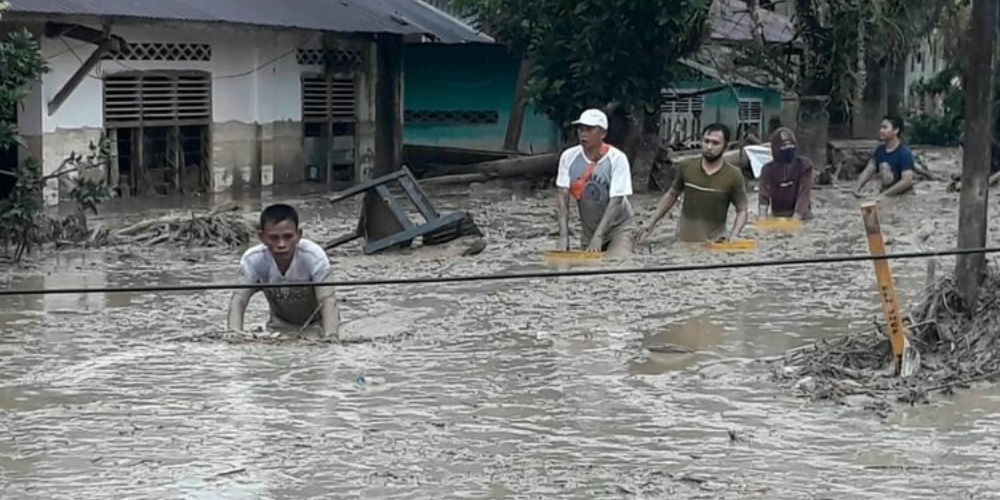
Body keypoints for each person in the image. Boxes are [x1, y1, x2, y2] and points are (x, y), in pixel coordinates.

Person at [227, 203, 341, 338]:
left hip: (317, 327)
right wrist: (234, 334)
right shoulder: (253, 260)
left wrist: (331, 337)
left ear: (299, 235)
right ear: (262, 237)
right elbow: (238, 301)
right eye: (274, 238)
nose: (281, 244)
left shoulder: (313, 256)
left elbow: (327, 300)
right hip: (278, 328)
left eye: (288, 237)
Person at [636, 123, 749, 243]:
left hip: (715, 242)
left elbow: (742, 210)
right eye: (706, 141)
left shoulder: (734, 175)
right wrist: (650, 223)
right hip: (683, 240)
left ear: (725, 147)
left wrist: (734, 235)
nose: (709, 147)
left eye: (715, 143)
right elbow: (672, 195)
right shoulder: (686, 167)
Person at [555, 108, 634, 257]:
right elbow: (562, 197)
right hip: (589, 231)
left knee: (617, 263)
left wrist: (599, 237)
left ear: (603, 134)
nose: (583, 134)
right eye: (581, 129)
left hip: (619, 227)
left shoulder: (617, 159)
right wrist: (563, 236)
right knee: (588, 270)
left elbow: (616, 201)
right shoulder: (568, 157)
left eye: (589, 129)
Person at [853, 115, 916, 198]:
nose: (881, 130)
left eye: (885, 127)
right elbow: (868, 171)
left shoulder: (904, 153)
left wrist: (884, 195)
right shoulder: (879, 150)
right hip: (885, 192)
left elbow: (906, 181)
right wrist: (856, 189)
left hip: (903, 196)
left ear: (896, 130)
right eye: (881, 127)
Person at [758, 127, 813, 220]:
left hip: (802, 215)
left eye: (790, 145)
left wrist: (795, 220)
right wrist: (762, 219)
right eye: (784, 145)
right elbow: (763, 196)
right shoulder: (767, 169)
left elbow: (803, 195)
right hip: (778, 214)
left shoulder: (804, 166)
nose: (788, 148)